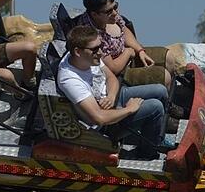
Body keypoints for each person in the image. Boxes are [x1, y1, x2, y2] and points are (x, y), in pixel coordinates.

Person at [58, 25, 175, 160]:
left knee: (160, 90)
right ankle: (147, 154)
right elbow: (99, 118)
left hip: (113, 98)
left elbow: (111, 78)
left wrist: (111, 96)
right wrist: (129, 109)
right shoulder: (70, 80)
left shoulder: (87, 57)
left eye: (100, 46)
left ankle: (155, 137)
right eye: (95, 49)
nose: (101, 53)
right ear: (78, 52)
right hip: (106, 124)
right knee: (155, 107)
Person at [77, 0, 174, 90]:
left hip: (130, 56)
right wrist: (128, 52)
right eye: (108, 11)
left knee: (168, 58)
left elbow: (124, 30)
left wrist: (139, 50)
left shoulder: (110, 17)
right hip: (119, 75)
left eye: (115, 7)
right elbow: (113, 68)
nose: (114, 13)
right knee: (164, 77)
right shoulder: (91, 35)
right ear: (95, 14)